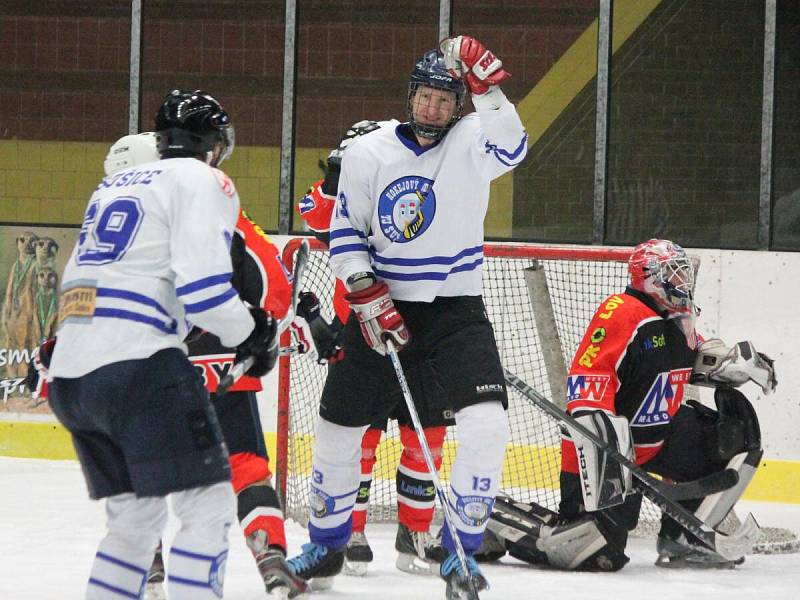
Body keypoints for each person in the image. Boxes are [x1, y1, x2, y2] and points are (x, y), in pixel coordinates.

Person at [286, 36, 527, 599]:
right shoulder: (369, 151)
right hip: (380, 310)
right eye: (424, 97)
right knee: (338, 428)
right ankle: (326, 544)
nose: (432, 110)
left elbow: (514, 147)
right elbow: (345, 234)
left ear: (458, 103)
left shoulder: (472, 140)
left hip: (455, 313)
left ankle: (460, 553)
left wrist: (490, 91)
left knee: (487, 425)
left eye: (445, 100)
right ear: (409, 97)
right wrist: (364, 291)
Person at [46, 89, 281, 600]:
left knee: (135, 521)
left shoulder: (109, 188)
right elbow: (203, 293)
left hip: (70, 374)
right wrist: (255, 332)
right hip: (137, 365)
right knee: (210, 503)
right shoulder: (202, 178)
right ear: (214, 146)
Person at [99, 131, 308, 599]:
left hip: (143, 367)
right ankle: (271, 560)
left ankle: (146, 568)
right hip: (219, 359)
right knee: (246, 466)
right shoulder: (205, 200)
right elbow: (268, 274)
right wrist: (267, 325)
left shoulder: (109, 217)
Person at [486, 239, 777, 571]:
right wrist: (606, 445)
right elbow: (590, 374)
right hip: (602, 450)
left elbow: (696, 358)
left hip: (658, 438)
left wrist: (740, 364)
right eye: (674, 274)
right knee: (595, 553)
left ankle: (684, 540)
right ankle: (493, 518)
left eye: (683, 276)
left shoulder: (678, 318)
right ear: (650, 276)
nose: (682, 283)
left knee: (732, 438)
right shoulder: (622, 311)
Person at [297, 119, 449, 577]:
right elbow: (316, 216)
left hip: (426, 325)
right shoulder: (342, 190)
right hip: (363, 331)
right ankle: (352, 531)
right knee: (358, 438)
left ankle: (415, 532)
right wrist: (335, 178)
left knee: (428, 435)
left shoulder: (412, 181)